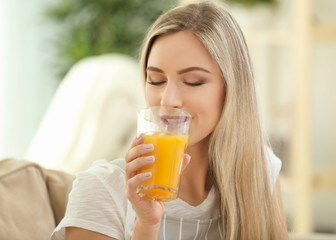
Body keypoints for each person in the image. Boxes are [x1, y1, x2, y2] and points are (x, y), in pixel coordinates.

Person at [51, 1, 288, 239]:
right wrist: (147, 225)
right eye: (155, 80)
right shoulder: (103, 190)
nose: (168, 100)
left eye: (193, 81)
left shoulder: (260, 173)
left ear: (233, 89)